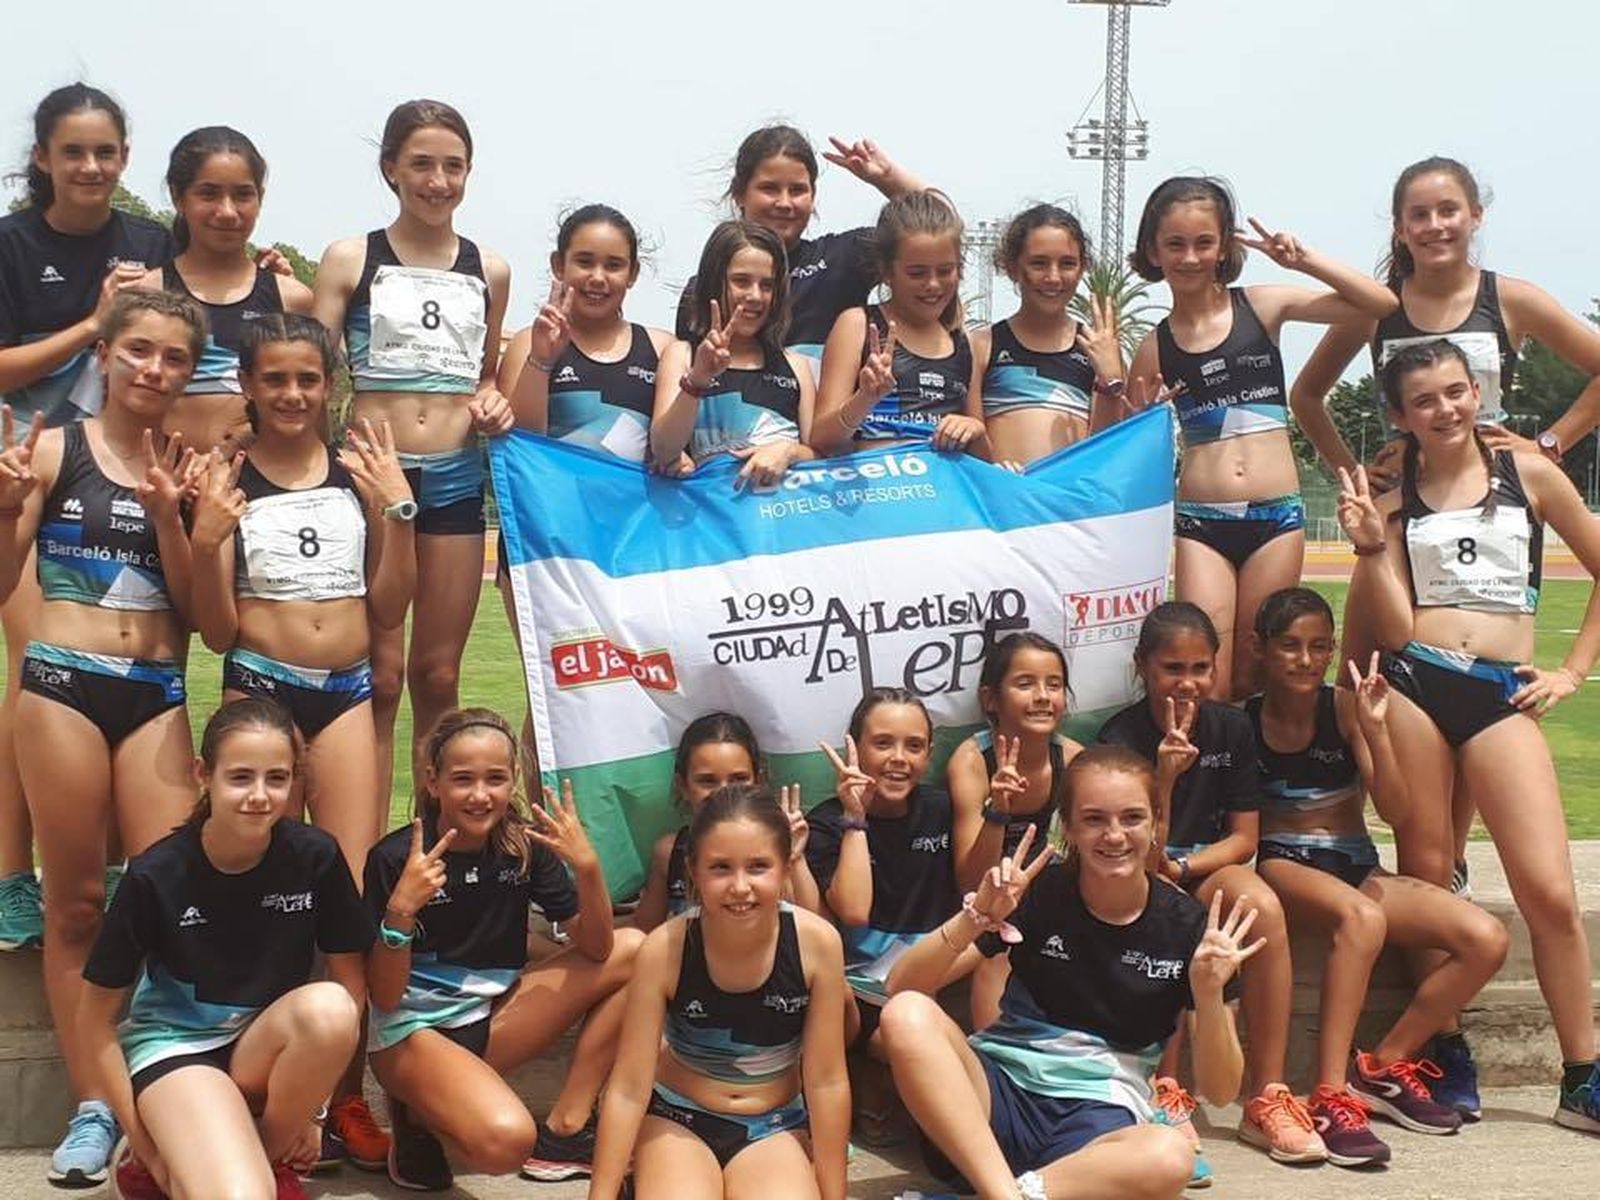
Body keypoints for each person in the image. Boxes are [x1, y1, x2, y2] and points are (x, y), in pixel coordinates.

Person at [1291, 155, 1600, 892]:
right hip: (1401, 524)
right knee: (1384, 687)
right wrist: (1354, 473)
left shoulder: (1510, 300)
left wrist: (1549, 444)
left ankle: (1447, 877)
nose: (1435, 226)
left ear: (1475, 216)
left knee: (1464, 689)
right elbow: (1308, 396)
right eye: (1419, 214)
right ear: (1399, 228)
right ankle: (1379, 858)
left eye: (1448, 210)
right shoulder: (1378, 305)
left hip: (1486, 514)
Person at [1337, 337, 1600, 1135]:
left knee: (1549, 893)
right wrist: (1370, 548)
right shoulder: (1390, 495)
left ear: (1475, 392)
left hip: (1500, 692)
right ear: (1400, 415)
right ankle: (1438, 1052)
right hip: (1416, 680)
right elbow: (1378, 622)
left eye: (1457, 392)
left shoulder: (1531, 476)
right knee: (1428, 873)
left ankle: (1583, 1073)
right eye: (1426, 400)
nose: (1446, 409)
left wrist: (1572, 672)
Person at [0, 288, 203, 1186]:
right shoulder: (52, 450)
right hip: (61, 689)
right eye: (141, 351)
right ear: (109, 355)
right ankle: (93, 1105)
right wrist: (7, 514)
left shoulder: (193, 467)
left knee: (165, 898)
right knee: (76, 905)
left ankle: (159, 1083)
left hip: (156, 691)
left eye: (175, 358)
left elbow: (202, 618)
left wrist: (173, 517)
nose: (155, 370)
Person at [879, 748, 1260, 1200]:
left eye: (1132, 817)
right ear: (1070, 827)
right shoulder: (1041, 893)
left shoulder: (1188, 926)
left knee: (1171, 1156)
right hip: (994, 1108)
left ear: (1157, 822)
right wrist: (977, 915)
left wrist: (1210, 993)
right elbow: (902, 987)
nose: (1114, 836)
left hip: (1095, 1125)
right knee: (906, 1014)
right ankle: (1002, 1194)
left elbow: (1220, 1091)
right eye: (1095, 819)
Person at [0, 84, 173, 957]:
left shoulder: (149, 241)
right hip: (23, 465)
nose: (92, 166)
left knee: (102, 670)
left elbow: (181, 330)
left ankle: (102, 865)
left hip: (114, 464)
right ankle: (10, 879)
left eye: (107, 151)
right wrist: (92, 323)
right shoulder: (12, 242)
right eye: (74, 152)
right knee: (34, 670)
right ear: (43, 159)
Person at [1248, 587, 1508, 1163]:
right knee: (1362, 917)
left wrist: (1377, 729)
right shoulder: (1245, 719)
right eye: (1290, 646)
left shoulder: (1343, 708)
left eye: (1319, 647)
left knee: (1486, 939)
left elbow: (1393, 810)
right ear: (1260, 650)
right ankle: (1327, 1094)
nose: (1305, 660)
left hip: (1355, 860)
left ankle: (1383, 1064)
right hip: (1285, 862)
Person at [79, 699, 372, 1200]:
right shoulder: (156, 875)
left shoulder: (315, 856)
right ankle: (153, 1167)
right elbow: (94, 1021)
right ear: (202, 774)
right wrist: (147, 1145)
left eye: (276, 779)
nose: (259, 796)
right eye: (240, 777)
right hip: (177, 1047)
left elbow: (351, 982)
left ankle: (267, 1155)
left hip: (261, 1048)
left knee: (331, 1009)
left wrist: (312, 1112)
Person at [1122, 176, 1399, 699]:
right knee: (1207, 673)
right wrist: (1132, 412)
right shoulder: (1153, 348)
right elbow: (1121, 444)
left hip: (1276, 516)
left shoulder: (1263, 306)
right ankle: (1206, 775)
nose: (1189, 257)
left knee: (1260, 672)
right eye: (1175, 244)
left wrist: (1302, 261)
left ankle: (1254, 781)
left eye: (1204, 243)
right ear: (1153, 251)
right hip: (1203, 523)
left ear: (1225, 245)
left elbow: (1378, 304)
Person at [311, 98, 514, 804]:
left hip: (456, 476)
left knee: (436, 675)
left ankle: (443, 842)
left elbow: (486, 375)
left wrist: (492, 401)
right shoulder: (350, 258)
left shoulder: (490, 267)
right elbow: (308, 369)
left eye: (452, 166)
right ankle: (363, 849)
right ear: (390, 168)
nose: (437, 180)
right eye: (421, 164)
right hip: (372, 474)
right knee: (380, 673)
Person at [364, 708, 643, 1189]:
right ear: (433, 782)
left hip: (490, 1017)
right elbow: (385, 998)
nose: (480, 795)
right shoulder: (397, 858)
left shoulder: (522, 846)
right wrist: (401, 911)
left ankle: (566, 1127)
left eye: (495, 778)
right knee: (506, 1143)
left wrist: (588, 868)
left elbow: (598, 950)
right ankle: (416, 1112)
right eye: (462, 779)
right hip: (411, 1034)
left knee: (636, 948)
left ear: (513, 779)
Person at [190, 313, 414, 881]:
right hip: (262, 685)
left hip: (346, 690)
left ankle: (337, 975)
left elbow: (389, 609)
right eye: (275, 380)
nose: (293, 395)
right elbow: (217, 635)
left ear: (329, 384)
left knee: (351, 876)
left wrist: (399, 510)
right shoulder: (227, 477)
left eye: (308, 380)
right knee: (262, 874)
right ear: (247, 384)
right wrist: (204, 544)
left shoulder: (359, 473)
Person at [1097, 602, 1319, 1165]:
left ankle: (1266, 1095)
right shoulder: (1120, 735)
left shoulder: (1231, 726)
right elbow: (1135, 851)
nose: (1188, 682)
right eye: (1173, 668)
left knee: (1262, 908)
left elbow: (1245, 838)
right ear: (1142, 666)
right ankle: (1166, 1092)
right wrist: (1164, 779)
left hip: (1199, 866)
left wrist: (1188, 868)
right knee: (1161, 905)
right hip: (1139, 869)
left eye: (1201, 667)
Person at [589, 784, 851, 1200]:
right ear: (693, 871)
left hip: (774, 1123)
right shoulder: (665, 948)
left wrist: (833, 1194)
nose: (740, 886)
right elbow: (628, 1085)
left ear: (786, 866)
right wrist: (598, 1195)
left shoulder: (817, 944)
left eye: (759, 866)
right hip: (678, 1116)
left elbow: (827, 1081)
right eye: (721, 868)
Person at [676, 125, 926, 370]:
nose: (784, 203)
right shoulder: (703, 290)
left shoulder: (842, 260)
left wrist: (888, 178)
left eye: (797, 190)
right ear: (739, 193)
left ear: (813, 196)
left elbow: (938, 232)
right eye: (769, 188)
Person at [136, 126, 312, 458]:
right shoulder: (147, 293)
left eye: (243, 195)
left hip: (260, 488)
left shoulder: (291, 298)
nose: (227, 211)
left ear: (260, 198)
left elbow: (309, 407)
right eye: (209, 193)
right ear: (178, 196)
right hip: (161, 483)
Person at [808, 688, 965, 1058]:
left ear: (928, 754)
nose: (899, 758)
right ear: (857, 749)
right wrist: (855, 820)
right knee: (909, 1043)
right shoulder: (827, 823)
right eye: (882, 743)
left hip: (941, 971)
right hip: (865, 993)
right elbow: (854, 910)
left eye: (914, 746)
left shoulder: (943, 809)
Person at [946, 632, 1082, 1028]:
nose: (1042, 696)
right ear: (991, 699)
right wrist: (998, 811)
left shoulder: (1073, 760)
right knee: (998, 953)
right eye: (1025, 684)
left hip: (1053, 901)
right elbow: (970, 882)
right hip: (988, 908)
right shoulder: (972, 762)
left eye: (1053, 685)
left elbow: (1078, 852)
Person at [812, 191, 989, 456]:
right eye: (917, 273)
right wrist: (865, 399)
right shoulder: (858, 325)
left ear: (960, 269)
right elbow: (820, 439)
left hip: (941, 493)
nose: (932, 284)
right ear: (886, 271)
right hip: (879, 491)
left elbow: (985, 461)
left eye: (945, 271)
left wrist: (974, 429)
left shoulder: (963, 343)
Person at [653, 221, 816, 484]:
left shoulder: (795, 365)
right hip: (710, 518)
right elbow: (664, 451)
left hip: (781, 516)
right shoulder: (681, 355)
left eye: (767, 285)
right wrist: (697, 380)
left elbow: (821, 455)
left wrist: (789, 450)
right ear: (712, 283)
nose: (755, 296)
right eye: (741, 281)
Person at [633, 712, 818, 932]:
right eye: (707, 781)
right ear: (682, 786)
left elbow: (816, 931)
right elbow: (644, 931)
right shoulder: (669, 852)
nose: (723, 792)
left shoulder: (778, 846)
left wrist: (794, 857)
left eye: (738, 779)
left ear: (758, 781)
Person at [972, 204, 1126, 464]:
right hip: (1003, 499)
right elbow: (970, 438)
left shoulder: (1097, 350)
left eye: (1067, 264)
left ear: (1082, 268)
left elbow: (1106, 453)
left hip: (1071, 501)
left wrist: (1110, 382)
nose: (1053, 277)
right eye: (1039, 263)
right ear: (1012, 267)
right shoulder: (982, 345)